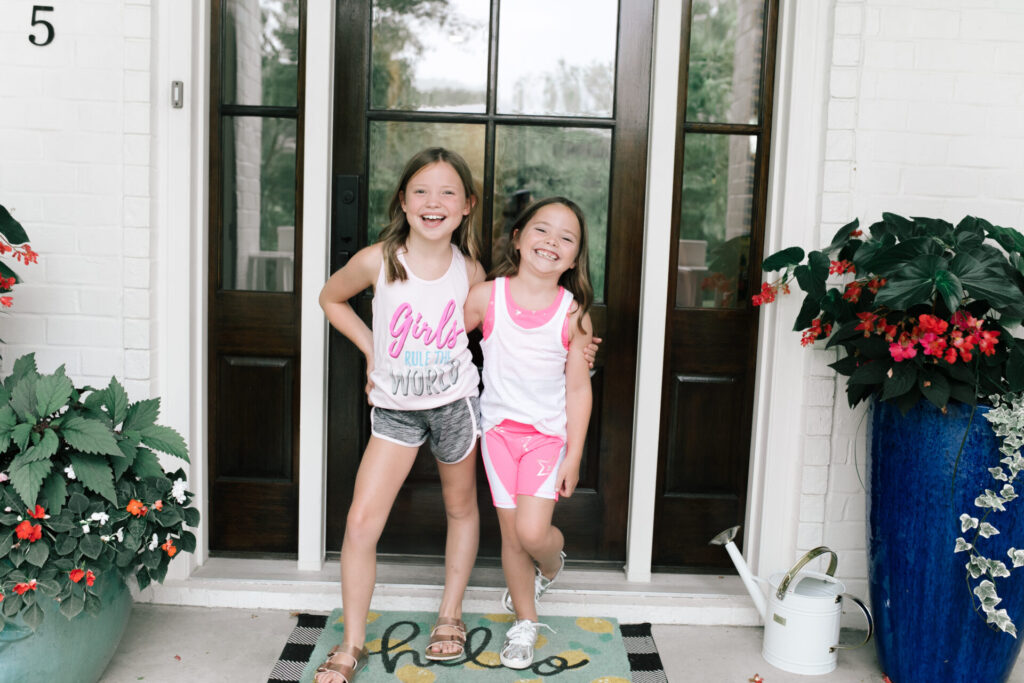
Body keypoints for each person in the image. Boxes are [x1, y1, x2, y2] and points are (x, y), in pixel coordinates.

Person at [315, 147, 485, 682]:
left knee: (460, 508)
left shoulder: (472, 271)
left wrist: (577, 343)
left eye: (447, 193)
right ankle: (352, 644)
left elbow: (509, 323)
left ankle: (449, 617)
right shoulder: (379, 260)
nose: (433, 203)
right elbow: (330, 298)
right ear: (404, 202)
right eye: (421, 191)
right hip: (395, 411)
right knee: (362, 522)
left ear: (466, 207)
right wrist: (372, 350)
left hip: (455, 406)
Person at [463, 196, 594, 670]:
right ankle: (525, 622)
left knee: (534, 532)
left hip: (544, 441)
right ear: (517, 239)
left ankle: (553, 565)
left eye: (566, 237)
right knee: (513, 537)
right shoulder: (486, 297)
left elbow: (579, 391)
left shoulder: (574, 315)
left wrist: (574, 456)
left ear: (575, 258)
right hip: (497, 436)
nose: (551, 242)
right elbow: (444, 342)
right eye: (542, 230)